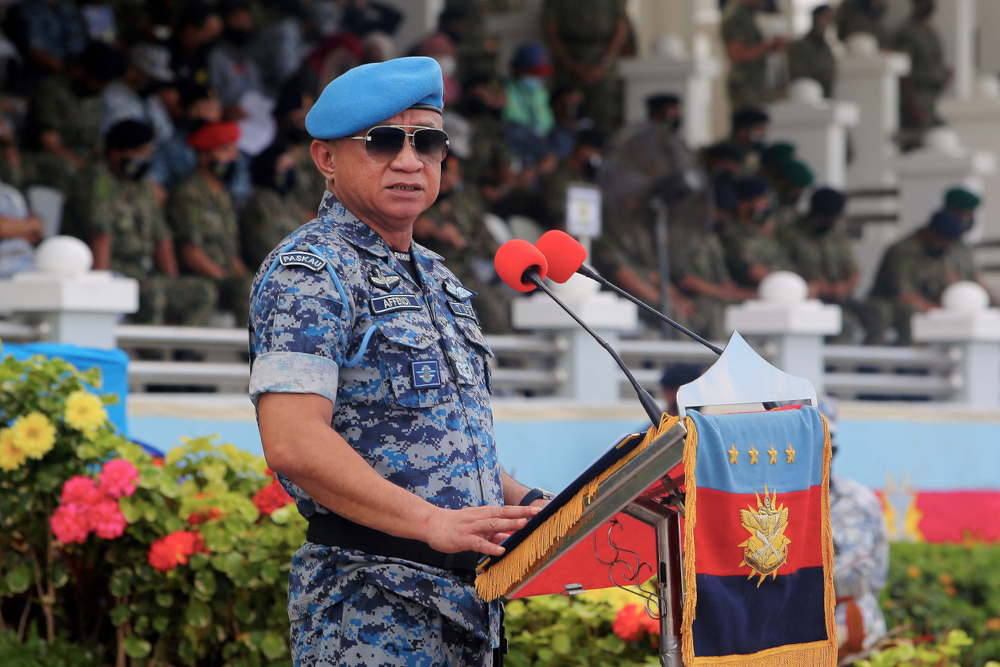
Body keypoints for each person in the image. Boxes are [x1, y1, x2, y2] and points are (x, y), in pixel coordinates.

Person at [248, 56, 543, 665]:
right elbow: (294, 442)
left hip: (468, 608)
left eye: (428, 142)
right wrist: (432, 522)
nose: (410, 161)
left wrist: (534, 504)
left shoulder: (435, 275)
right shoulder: (312, 272)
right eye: (383, 141)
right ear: (326, 159)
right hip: (370, 609)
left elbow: (439, 438)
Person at [62, 120, 216, 326]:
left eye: (147, 152)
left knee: (202, 291)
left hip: (141, 273)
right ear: (116, 153)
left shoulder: (141, 184)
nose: (144, 158)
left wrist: (172, 284)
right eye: (138, 152)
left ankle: (186, 354)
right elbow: (100, 236)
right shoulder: (96, 179)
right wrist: (98, 291)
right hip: (107, 272)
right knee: (152, 292)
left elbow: (162, 238)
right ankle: (155, 355)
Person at [819, 397, 889, 650]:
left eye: (830, 445)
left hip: (863, 628)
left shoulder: (862, 500)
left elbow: (879, 572)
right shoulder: (778, 504)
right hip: (805, 632)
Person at [167, 120, 252, 327]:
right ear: (203, 155)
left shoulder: (223, 195)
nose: (234, 157)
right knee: (245, 289)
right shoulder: (190, 193)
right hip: (200, 277)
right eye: (225, 150)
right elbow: (190, 253)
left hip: (224, 277)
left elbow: (231, 253)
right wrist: (226, 280)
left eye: (233, 150)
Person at [865, 209, 963, 345]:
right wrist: (934, 309)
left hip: (929, 306)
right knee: (911, 313)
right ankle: (908, 362)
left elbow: (950, 285)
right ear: (931, 232)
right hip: (891, 304)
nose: (945, 246)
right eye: (943, 240)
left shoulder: (942, 254)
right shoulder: (903, 251)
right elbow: (903, 294)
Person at [778, 187, 863, 342]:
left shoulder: (837, 236)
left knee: (876, 313)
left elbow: (853, 270)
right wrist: (815, 285)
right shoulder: (791, 235)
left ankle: (869, 365)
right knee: (846, 325)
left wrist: (845, 285)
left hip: (841, 298)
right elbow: (784, 270)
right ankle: (834, 366)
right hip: (810, 299)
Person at [543, 0, 629, 135]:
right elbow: (551, 30)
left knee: (606, 111)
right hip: (569, 59)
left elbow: (621, 28)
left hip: (602, 61)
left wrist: (603, 64)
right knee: (567, 109)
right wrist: (571, 66)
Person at [240, 142, 307, 269]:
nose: (290, 171)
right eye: (284, 166)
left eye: (291, 166)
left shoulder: (287, 200)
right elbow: (266, 249)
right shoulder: (261, 202)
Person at [718, 177, 793, 289]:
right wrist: (785, 287)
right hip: (754, 293)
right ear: (742, 204)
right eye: (760, 202)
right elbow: (752, 270)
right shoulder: (731, 232)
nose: (764, 207)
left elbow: (784, 265)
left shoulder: (763, 232)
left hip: (780, 289)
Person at [893, 0, 948, 145]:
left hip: (933, 95)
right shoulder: (908, 31)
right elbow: (902, 72)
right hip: (916, 94)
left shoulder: (930, 31)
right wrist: (911, 101)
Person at [721, 0, 788, 110]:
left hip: (759, 86)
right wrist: (768, 46)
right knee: (750, 123)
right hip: (746, 87)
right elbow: (736, 55)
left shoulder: (751, 13)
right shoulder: (735, 16)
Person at [788, 5, 836, 99]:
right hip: (806, 94)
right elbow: (797, 74)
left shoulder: (826, 47)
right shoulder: (800, 46)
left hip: (825, 95)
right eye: (823, 17)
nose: (825, 22)